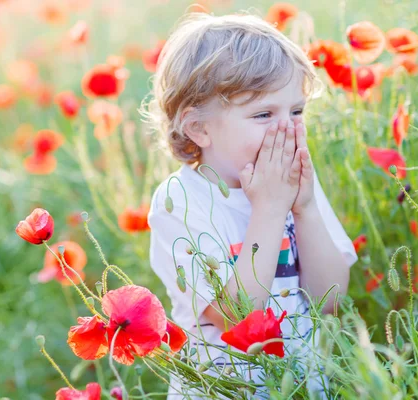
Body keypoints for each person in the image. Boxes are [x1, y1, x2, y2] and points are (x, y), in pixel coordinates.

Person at [142, 11, 358, 399]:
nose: (288, 128)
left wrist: (305, 208)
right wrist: (271, 211)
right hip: (223, 391)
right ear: (199, 128)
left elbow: (330, 299)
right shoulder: (180, 203)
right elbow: (236, 316)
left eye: (296, 111)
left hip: (298, 387)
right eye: (263, 115)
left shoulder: (296, 183)